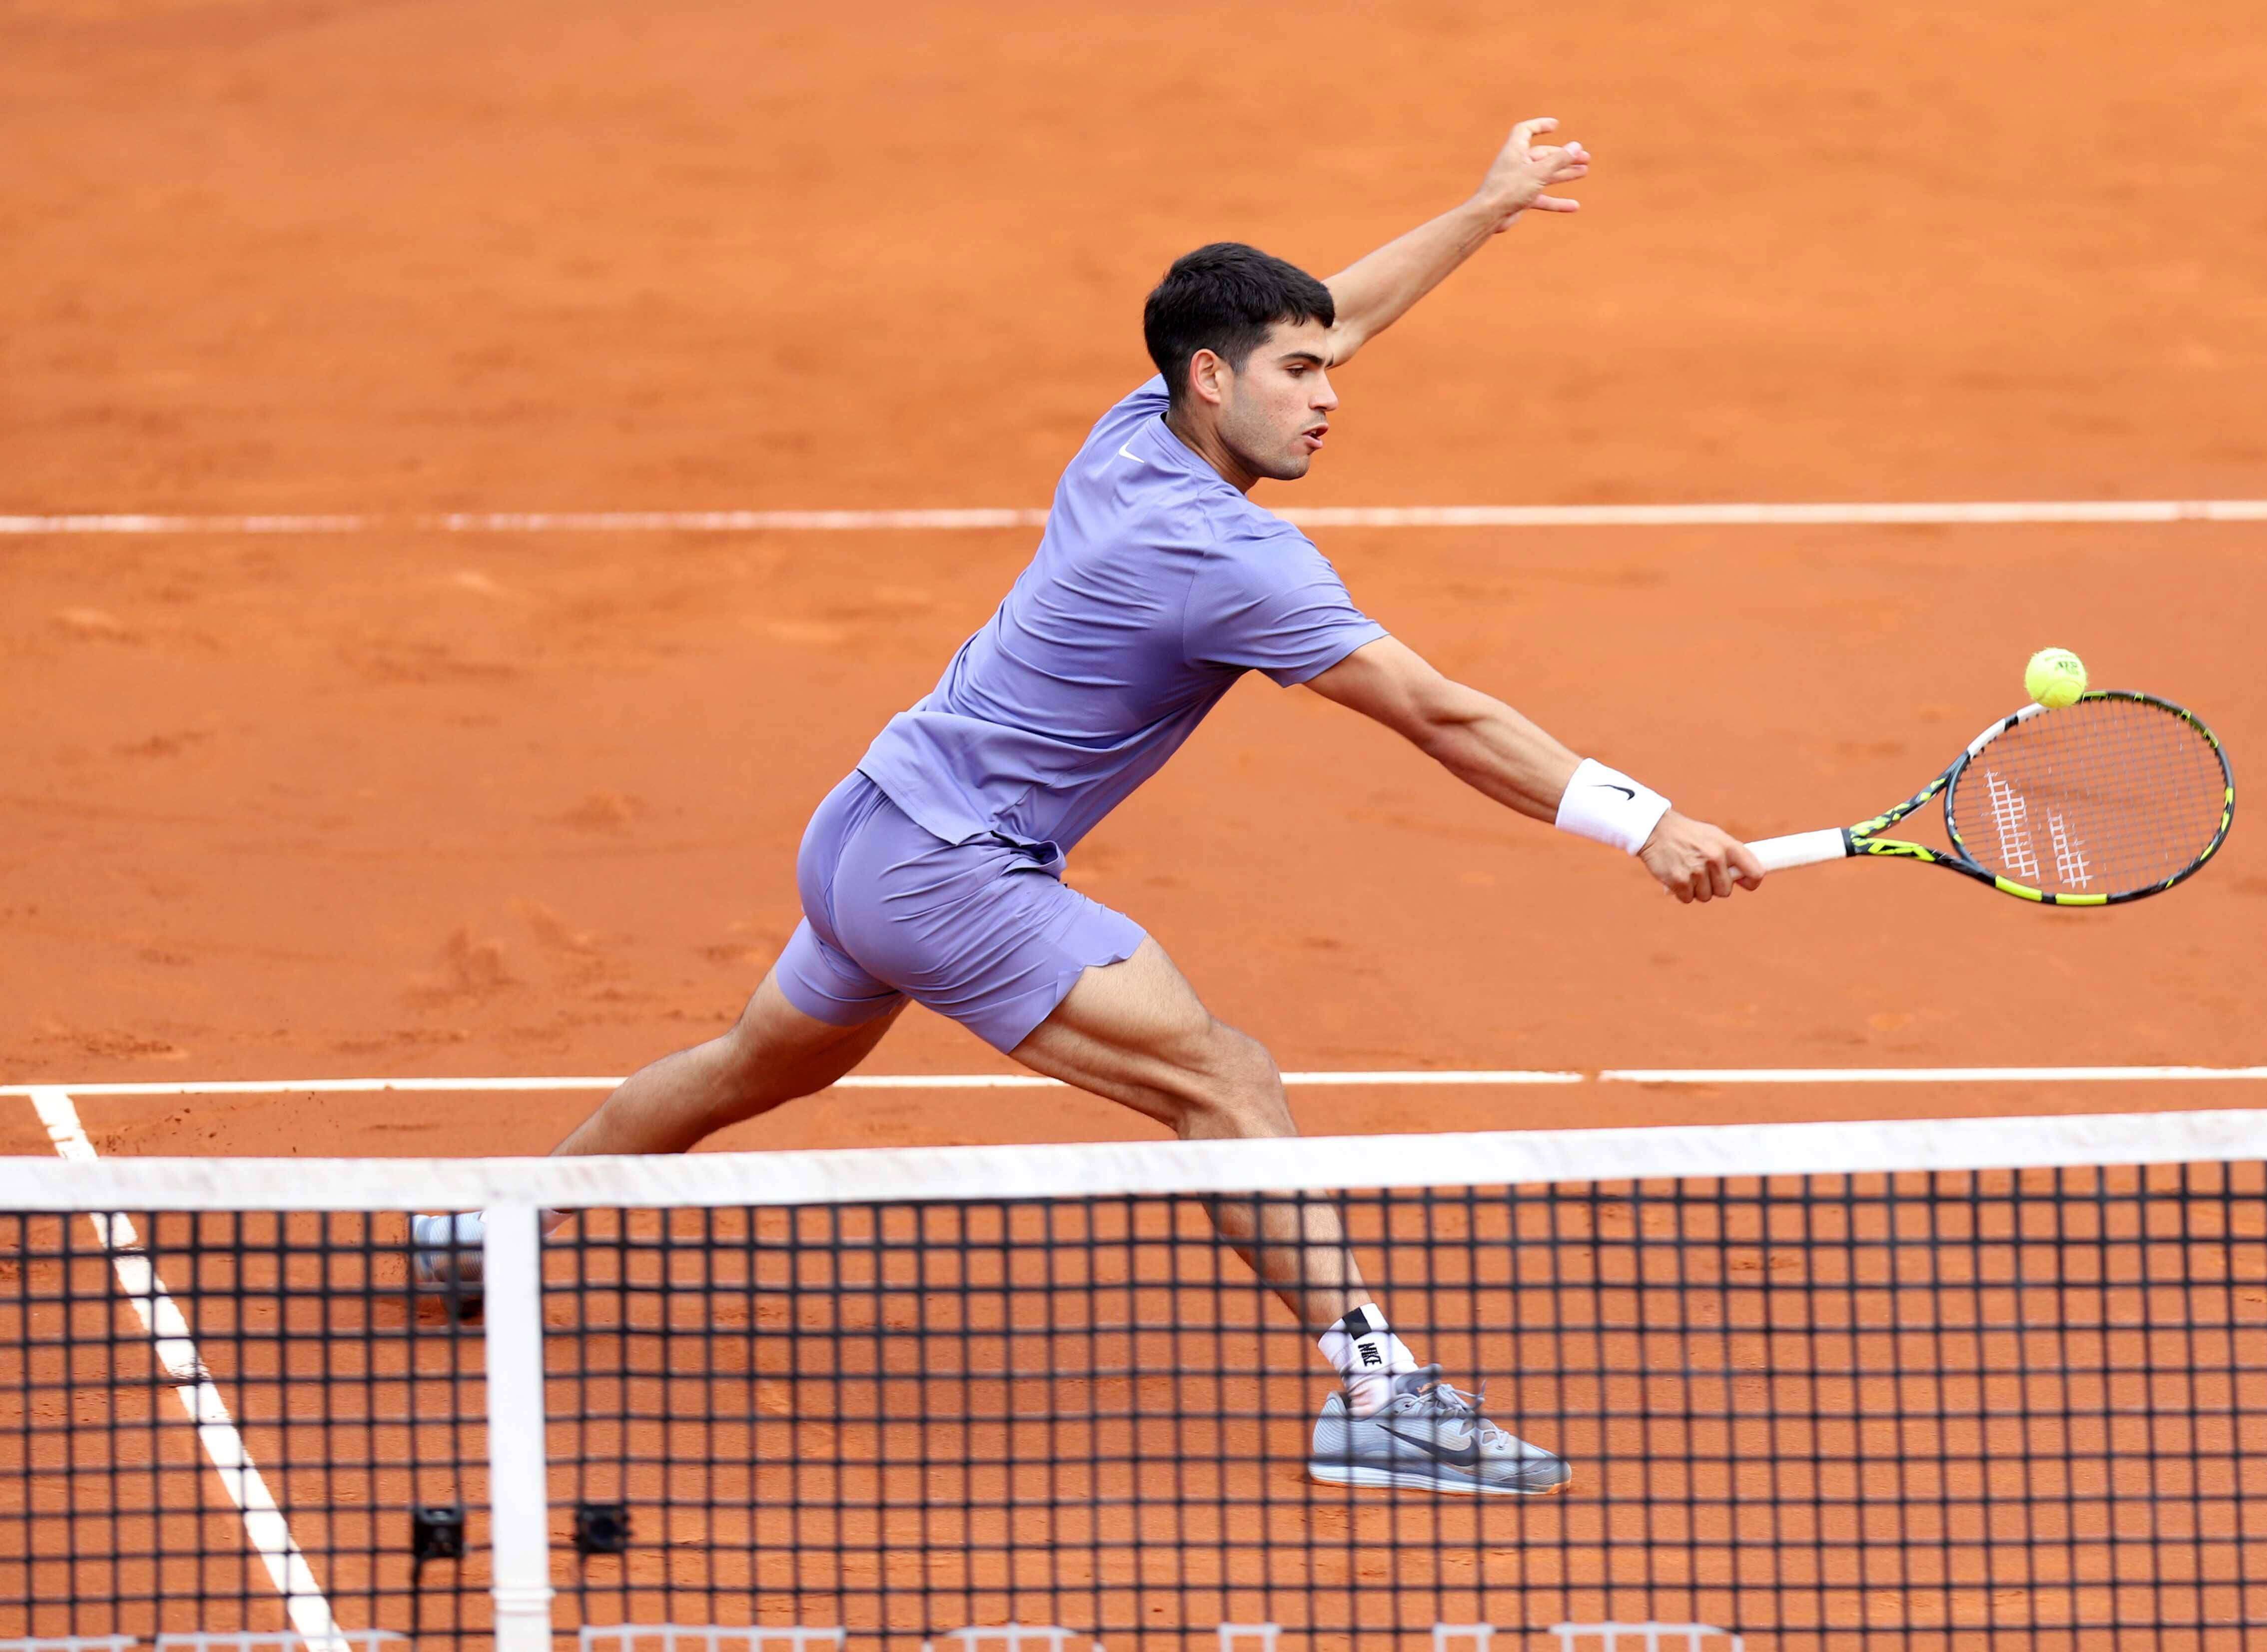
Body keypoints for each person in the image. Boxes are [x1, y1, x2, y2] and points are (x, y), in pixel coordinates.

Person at [414, 118, 1765, 1497]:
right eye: (1295, 376)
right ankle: (1380, 1393)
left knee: (755, 1066)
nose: (1329, 394)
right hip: (956, 873)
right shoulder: (1232, 557)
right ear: (1211, 376)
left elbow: (1337, 318)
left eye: (1324, 371)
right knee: (1222, 1075)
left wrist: (1485, 209)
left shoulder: (1136, 432)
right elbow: (1442, 714)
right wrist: (1643, 820)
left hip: (868, 832)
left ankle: (487, 1226)